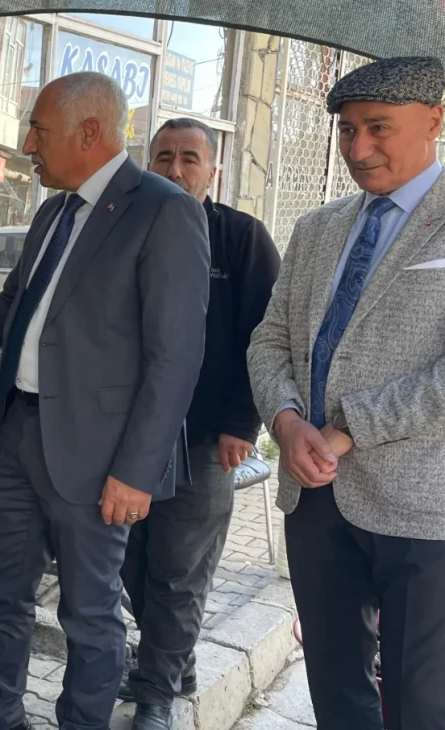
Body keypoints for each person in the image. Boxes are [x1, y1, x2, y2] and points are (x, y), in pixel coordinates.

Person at [0, 72, 209, 730]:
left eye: (38, 130)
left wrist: (136, 469)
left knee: (90, 617)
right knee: (1, 596)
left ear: (89, 132)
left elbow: (175, 356)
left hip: (98, 458)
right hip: (17, 436)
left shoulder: (163, 211)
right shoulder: (53, 211)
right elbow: (10, 309)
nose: (27, 145)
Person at [247, 56, 445, 730]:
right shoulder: (318, 228)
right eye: (348, 130)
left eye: (379, 128)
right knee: (335, 685)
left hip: (423, 510)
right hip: (315, 497)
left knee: (420, 700)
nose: (359, 148)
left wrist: (347, 428)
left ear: (435, 121)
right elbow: (268, 340)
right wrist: (283, 418)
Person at [119, 118, 280, 729]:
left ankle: (156, 692)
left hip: (211, 438)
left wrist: (245, 420)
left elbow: (269, 338)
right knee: (129, 559)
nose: (176, 169)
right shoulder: (125, 231)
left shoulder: (241, 238)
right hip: (131, 435)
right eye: (164, 157)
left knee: (180, 569)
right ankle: (173, 655)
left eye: (190, 158)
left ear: (214, 170)